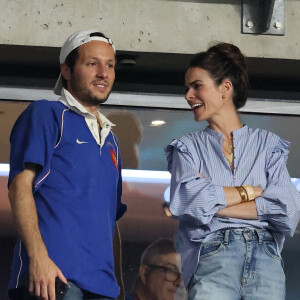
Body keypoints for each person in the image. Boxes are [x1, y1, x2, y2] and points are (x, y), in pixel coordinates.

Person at [164, 42, 300, 300]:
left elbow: (288, 210)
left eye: (197, 86)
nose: (188, 95)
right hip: (213, 258)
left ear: (225, 88)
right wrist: (252, 192)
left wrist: (215, 203)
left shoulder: (269, 145)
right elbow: (188, 202)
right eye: (187, 88)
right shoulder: (187, 148)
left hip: (267, 259)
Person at [8, 29, 127, 300]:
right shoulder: (46, 113)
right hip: (53, 279)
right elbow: (19, 186)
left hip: (102, 288)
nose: (103, 73)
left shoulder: (112, 140)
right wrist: (38, 259)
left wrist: (118, 287)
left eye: (109, 65)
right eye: (92, 63)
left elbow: (112, 220)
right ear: (67, 69)